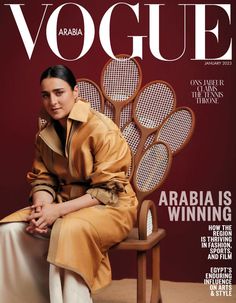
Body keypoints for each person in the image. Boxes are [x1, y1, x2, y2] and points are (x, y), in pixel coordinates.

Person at [0, 65, 138, 303]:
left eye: (59, 92)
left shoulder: (101, 129)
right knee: (10, 231)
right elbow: (43, 179)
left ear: (75, 92)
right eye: (46, 95)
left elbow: (107, 190)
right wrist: (41, 210)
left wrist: (56, 212)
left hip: (112, 208)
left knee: (68, 230)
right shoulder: (44, 135)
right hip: (64, 206)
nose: (52, 101)